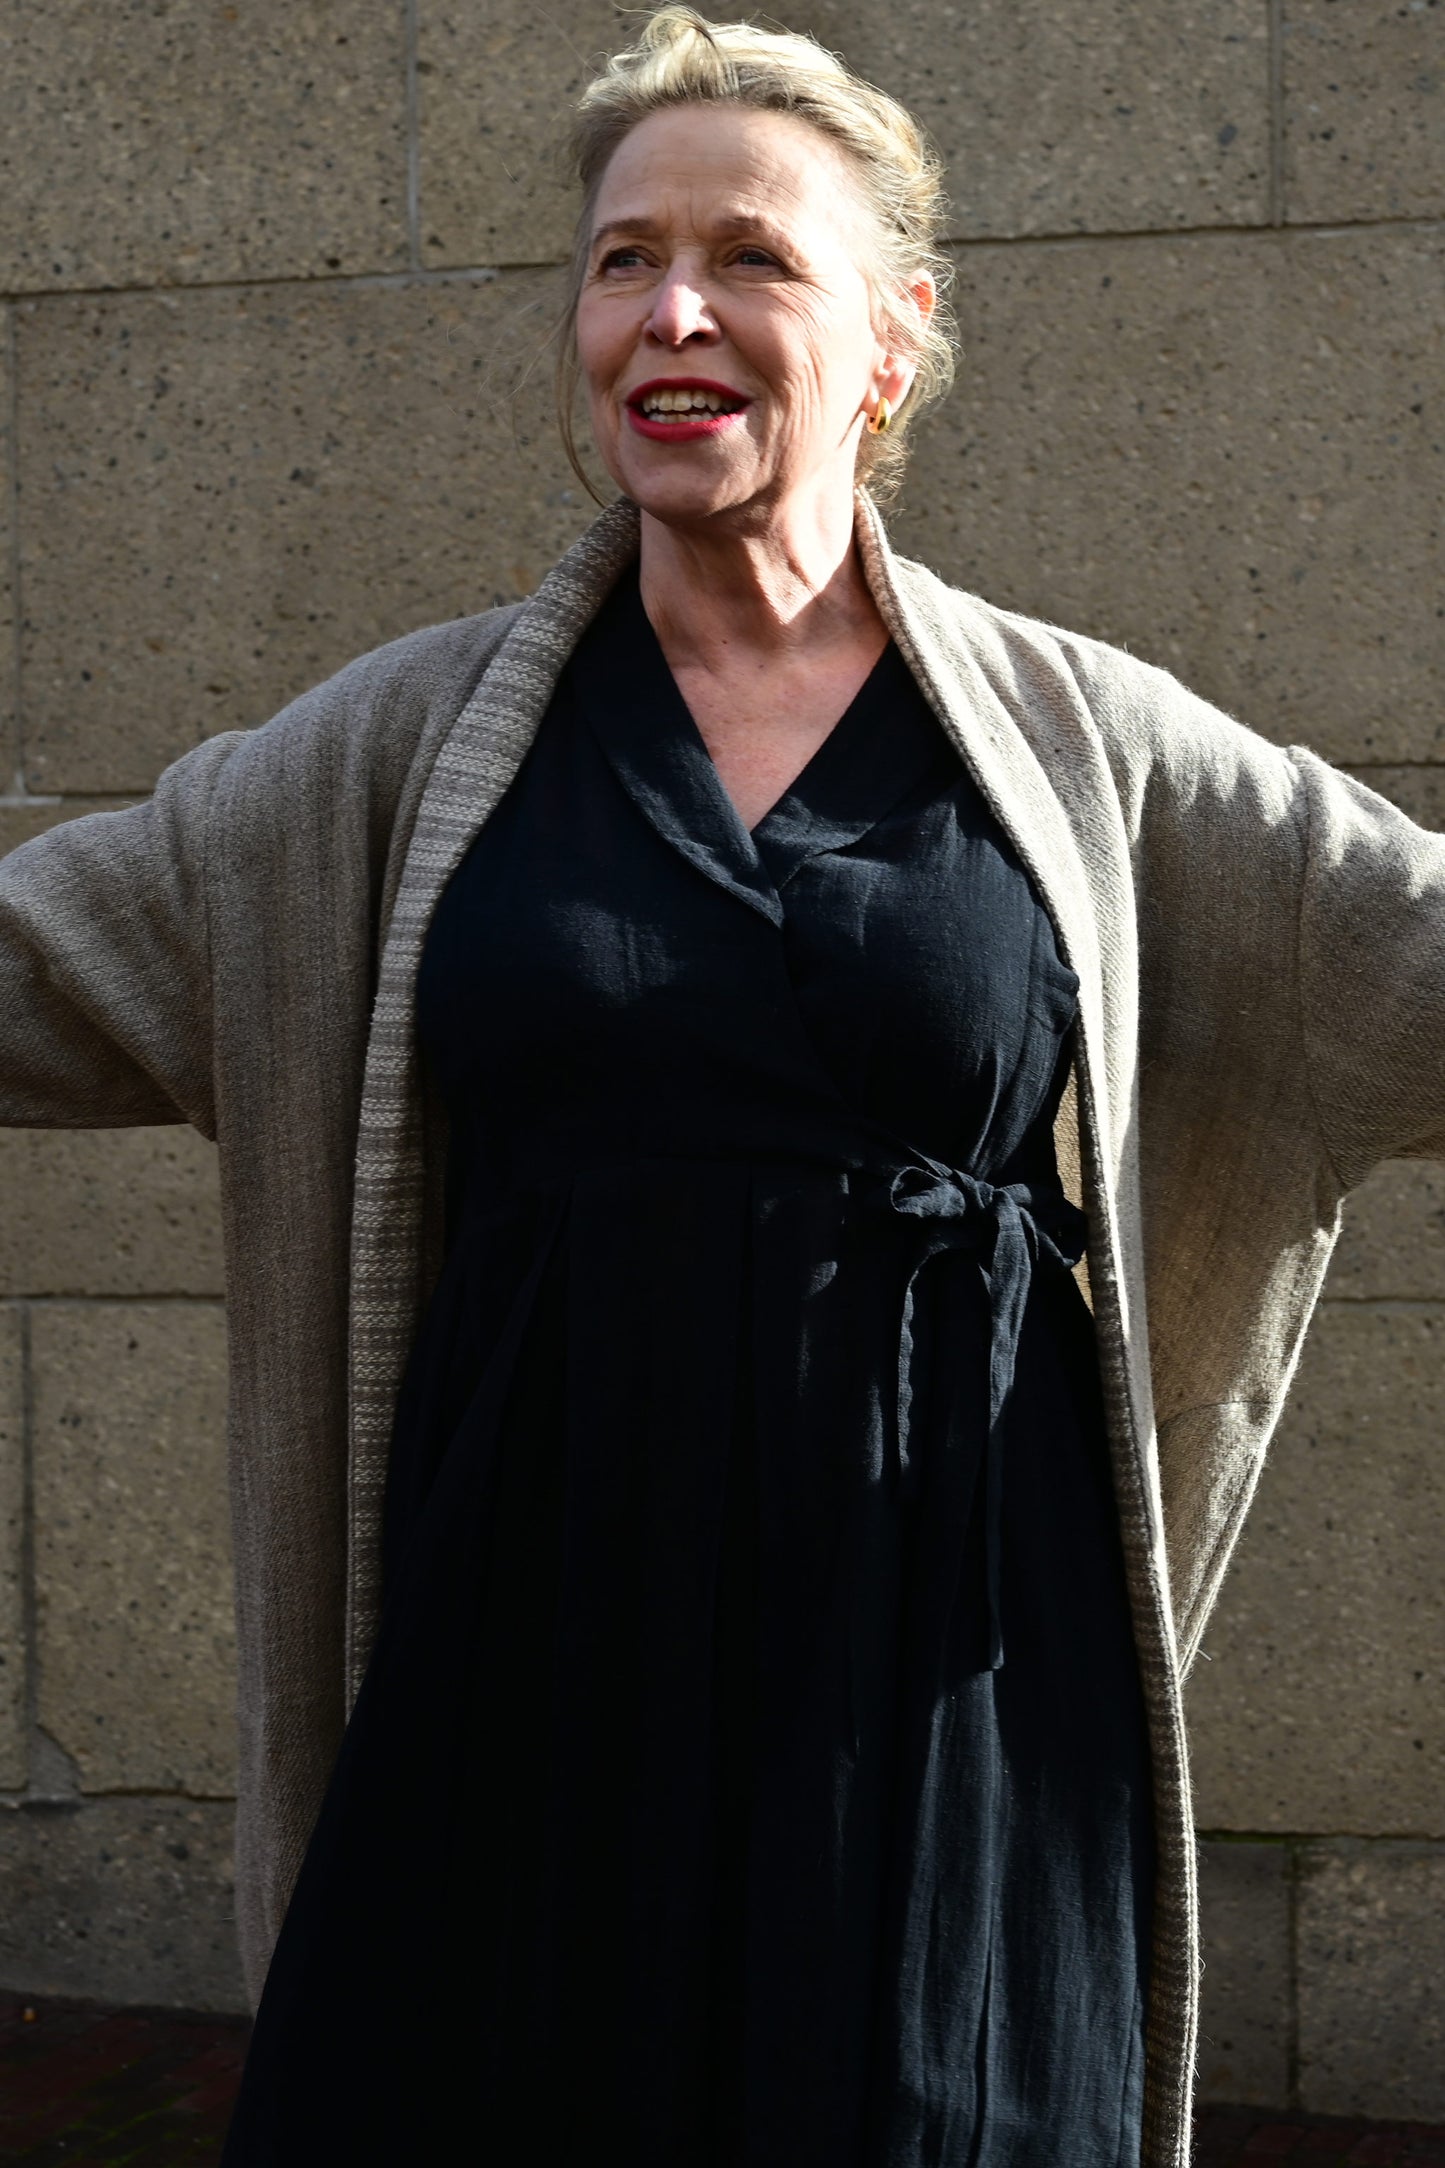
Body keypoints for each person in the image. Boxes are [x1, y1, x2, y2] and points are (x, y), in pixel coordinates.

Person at [0, 8, 1440, 2164]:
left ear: (891, 335)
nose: (670, 311)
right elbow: (48, 956)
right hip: (525, 1677)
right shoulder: (401, 752)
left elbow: (1409, 956)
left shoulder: (1076, 741)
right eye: (619, 261)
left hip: (943, 1696)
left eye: (750, 259)